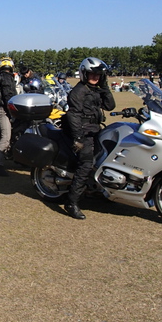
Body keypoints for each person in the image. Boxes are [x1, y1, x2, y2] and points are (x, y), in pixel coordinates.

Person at [63, 57, 116, 220]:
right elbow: (73, 115)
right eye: (92, 74)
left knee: (107, 156)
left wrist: (105, 86)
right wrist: (77, 137)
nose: (95, 77)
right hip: (83, 132)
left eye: (99, 75)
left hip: (95, 129)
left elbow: (110, 106)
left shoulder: (96, 89)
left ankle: (95, 190)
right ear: (84, 74)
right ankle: (72, 202)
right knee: (86, 164)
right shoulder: (78, 91)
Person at [0, 57, 18, 176]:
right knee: (6, 137)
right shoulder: (7, 77)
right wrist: (13, 111)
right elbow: (8, 96)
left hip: (6, 108)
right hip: (4, 110)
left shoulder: (3, 76)